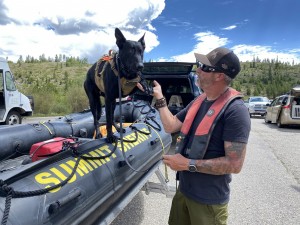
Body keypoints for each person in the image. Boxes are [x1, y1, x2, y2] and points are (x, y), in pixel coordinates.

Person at [137, 47, 251, 225]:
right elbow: (170, 125)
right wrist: (159, 97)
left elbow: (235, 164)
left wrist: (187, 164)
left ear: (219, 75)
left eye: (203, 67)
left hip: (208, 202)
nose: (197, 70)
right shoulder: (198, 101)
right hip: (184, 192)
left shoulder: (236, 111)